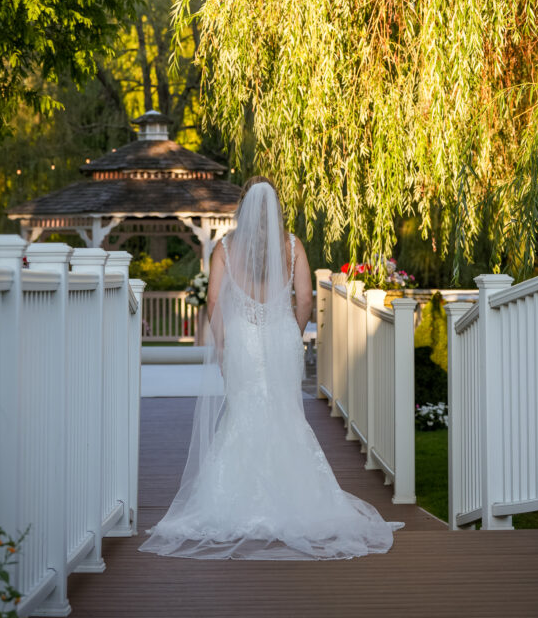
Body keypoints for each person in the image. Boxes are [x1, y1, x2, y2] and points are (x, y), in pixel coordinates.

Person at [139, 176, 402, 560]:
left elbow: (213, 302)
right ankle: (297, 497)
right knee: (285, 415)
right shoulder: (291, 246)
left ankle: (235, 500)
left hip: (244, 337)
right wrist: (291, 335)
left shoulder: (226, 248)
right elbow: (306, 300)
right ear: (275, 208)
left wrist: (225, 345)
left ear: (242, 208)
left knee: (243, 414)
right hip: (280, 336)